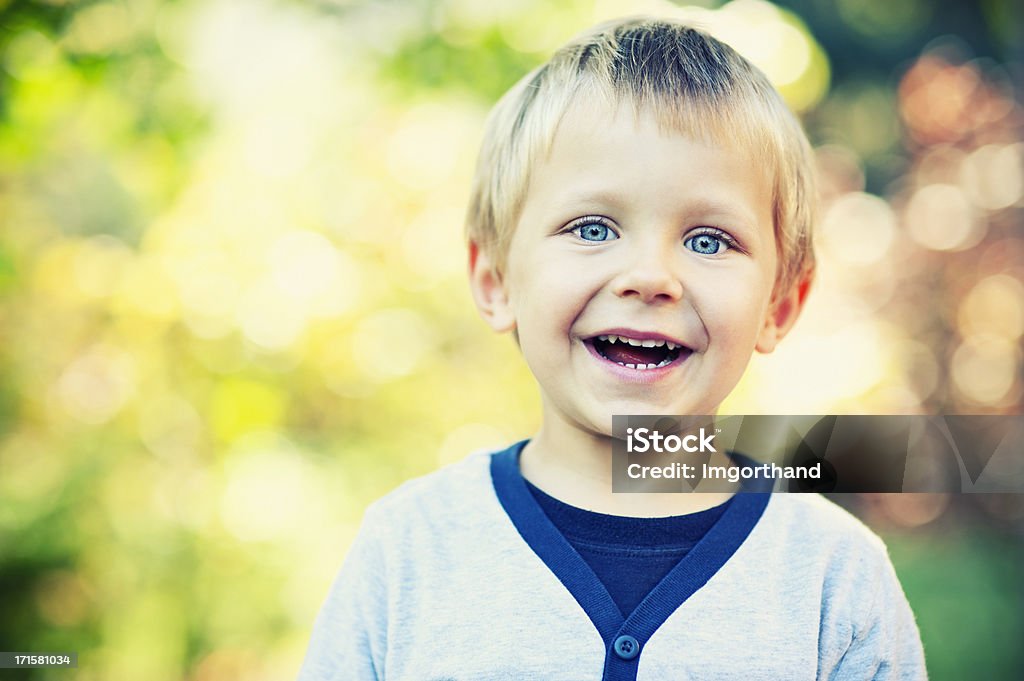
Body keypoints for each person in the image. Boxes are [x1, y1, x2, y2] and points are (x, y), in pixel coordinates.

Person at [298, 16, 926, 680]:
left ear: (779, 305)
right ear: (497, 281)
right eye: (593, 227)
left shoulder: (835, 578)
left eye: (709, 240)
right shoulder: (408, 551)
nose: (651, 277)